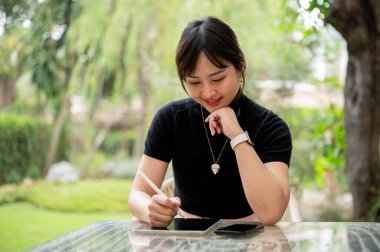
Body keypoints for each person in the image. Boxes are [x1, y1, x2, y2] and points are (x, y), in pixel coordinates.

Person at [128, 16, 292, 227]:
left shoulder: (271, 127)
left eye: (217, 79)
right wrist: (149, 209)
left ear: (240, 66)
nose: (208, 92)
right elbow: (139, 194)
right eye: (194, 82)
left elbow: (271, 212)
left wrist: (238, 137)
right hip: (185, 242)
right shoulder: (171, 119)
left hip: (251, 242)